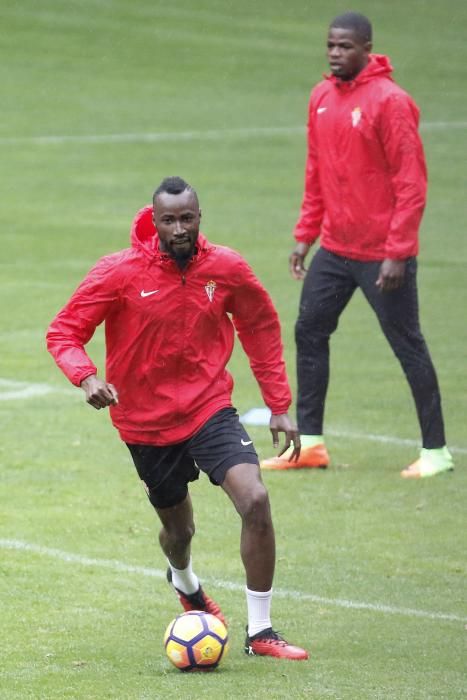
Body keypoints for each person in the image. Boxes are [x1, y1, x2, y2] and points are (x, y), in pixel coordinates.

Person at [46, 176, 308, 660]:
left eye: (187, 218)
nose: (179, 228)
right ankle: (185, 581)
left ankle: (261, 631)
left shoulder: (225, 268)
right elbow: (64, 331)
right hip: (145, 424)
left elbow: (259, 326)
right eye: (169, 220)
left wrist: (279, 404)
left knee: (254, 498)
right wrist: (86, 378)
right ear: (155, 221)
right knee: (179, 531)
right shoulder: (118, 272)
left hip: (209, 408)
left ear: (199, 217)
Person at [260, 12, 453, 479]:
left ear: (367, 48)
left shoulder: (392, 102)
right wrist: (306, 236)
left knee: (407, 344)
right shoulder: (321, 97)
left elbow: (411, 182)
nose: (334, 53)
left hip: (383, 255)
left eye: (344, 46)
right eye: (330, 45)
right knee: (309, 330)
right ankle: (309, 445)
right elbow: (316, 172)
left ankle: (436, 451)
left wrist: (397, 251)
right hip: (337, 249)